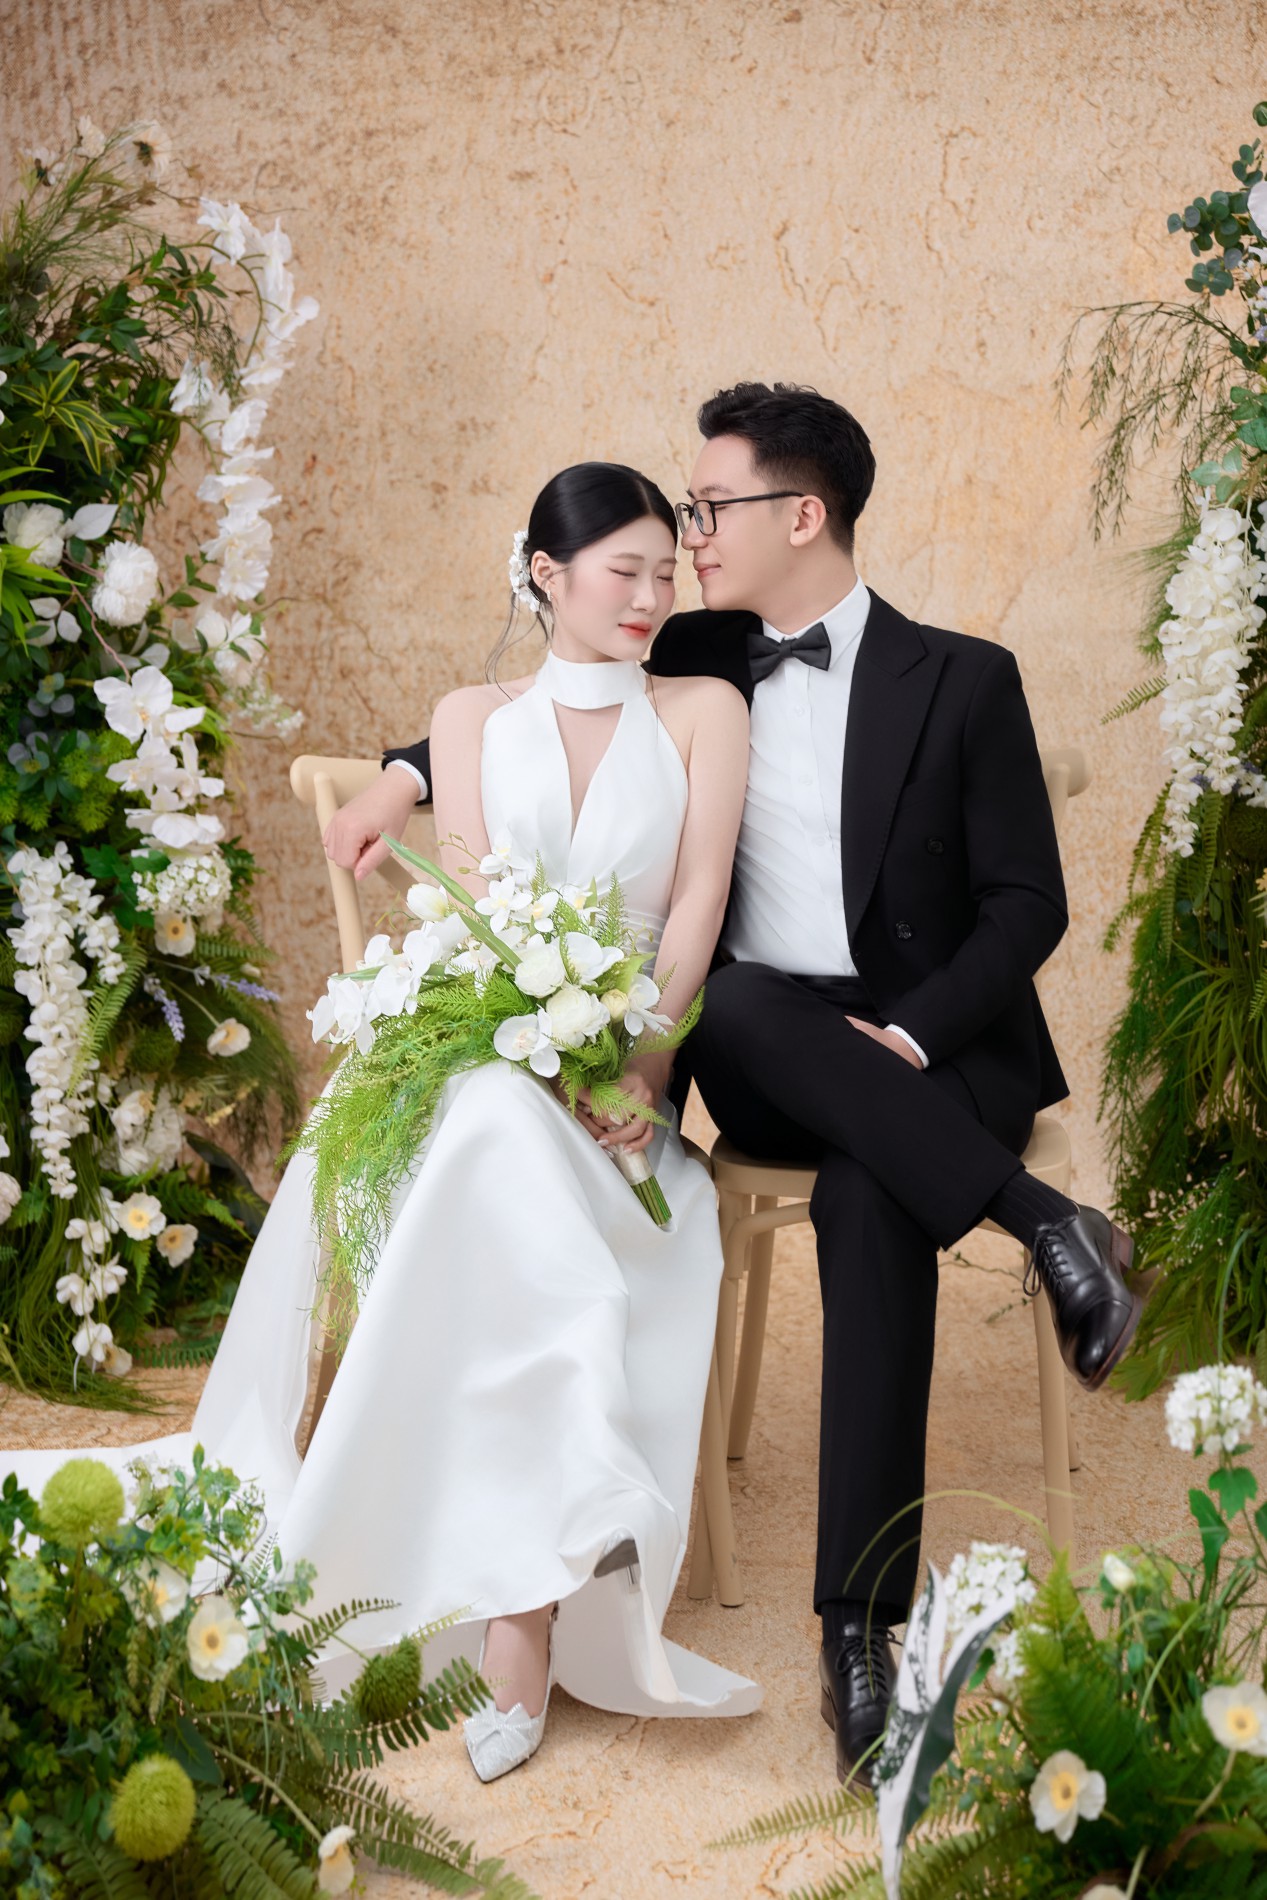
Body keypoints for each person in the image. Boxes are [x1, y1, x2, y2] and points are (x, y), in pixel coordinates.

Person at [331, 384, 1143, 1788]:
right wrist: (404, 773)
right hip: (764, 1043)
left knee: (873, 1198)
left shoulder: (966, 678)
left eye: (709, 511)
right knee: (750, 993)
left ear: (803, 514)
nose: (686, 539)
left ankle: (858, 1634)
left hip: (937, 1055)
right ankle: (1047, 1227)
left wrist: (912, 1038)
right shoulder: (694, 647)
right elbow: (547, 691)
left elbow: (1029, 905)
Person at [3, 461, 760, 1781]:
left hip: (623, 1103)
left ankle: (524, 1605)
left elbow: (695, 903)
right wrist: (537, 1056)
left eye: (662, 572)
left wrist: (641, 1073)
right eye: (623, 573)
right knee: (488, 1125)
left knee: (498, 1152)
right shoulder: (467, 720)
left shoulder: (704, 710)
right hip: (484, 1060)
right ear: (546, 575)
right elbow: (478, 913)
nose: (651, 597)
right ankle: (521, 1615)